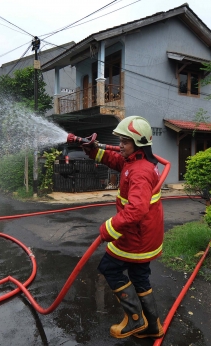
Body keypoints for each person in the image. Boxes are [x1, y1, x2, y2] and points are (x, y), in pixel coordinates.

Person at [82, 116, 164, 339]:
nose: (120, 146)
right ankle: (153, 326)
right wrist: (93, 151)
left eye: (124, 142)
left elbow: (137, 210)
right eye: (120, 141)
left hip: (136, 236)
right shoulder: (135, 163)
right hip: (145, 234)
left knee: (109, 268)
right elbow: (116, 161)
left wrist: (110, 227)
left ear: (138, 143)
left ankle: (135, 319)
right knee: (139, 276)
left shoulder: (140, 172)